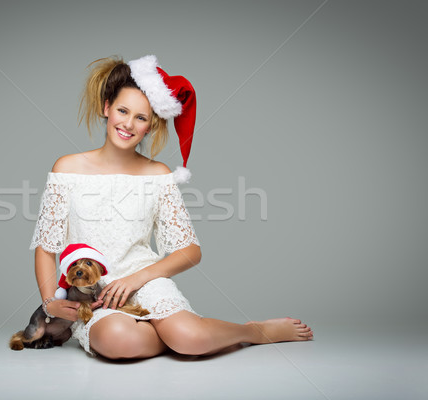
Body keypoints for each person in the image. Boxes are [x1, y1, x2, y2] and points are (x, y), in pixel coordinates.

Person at [29, 55, 313, 359]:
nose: (128, 124)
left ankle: (251, 331)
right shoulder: (67, 167)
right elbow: (47, 246)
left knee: (189, 337)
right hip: (94, 296)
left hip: (145, 281)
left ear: (151, 125)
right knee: (118, 342)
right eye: (123, 111)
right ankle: (182, 337)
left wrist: (137, 279)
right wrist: (50, 301)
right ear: (106, 108)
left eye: (141, 117)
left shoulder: (158, 174)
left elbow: (190, 250)